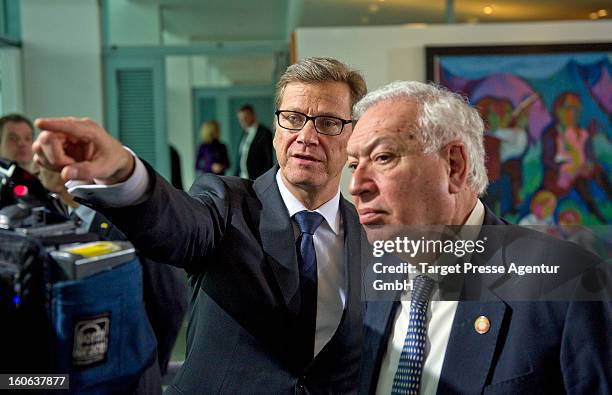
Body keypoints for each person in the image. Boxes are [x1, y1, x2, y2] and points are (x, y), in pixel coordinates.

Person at [33, 57, 367, 393]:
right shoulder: (226, 204)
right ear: (278, 128)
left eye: (326, 123)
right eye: (293, 119)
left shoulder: (369, 234)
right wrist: (122, 173)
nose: (306, 136)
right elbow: (176, 224)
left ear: (353, 134)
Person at [347, 81, 610, 394]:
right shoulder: (364, 280)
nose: (356, 185)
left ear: (454, 166)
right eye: (353, 165)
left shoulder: (570, 282)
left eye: (383, 157)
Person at [37, 166, 188, 395]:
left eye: (44, 162)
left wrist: (148, 359)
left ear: (66, 170)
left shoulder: (132, 223)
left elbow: (170, 299)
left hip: (130, 379)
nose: (36, 169)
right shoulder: (54, 222)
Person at [236, 104, 274, 179]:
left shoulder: (264, 133)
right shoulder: (244, 133)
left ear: (253, 115)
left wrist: (263, 180)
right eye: (240, 119)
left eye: (245, 117)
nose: (242, 121)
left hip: (257, 179)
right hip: (242, 178)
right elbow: (241, 156)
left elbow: (268, 160)